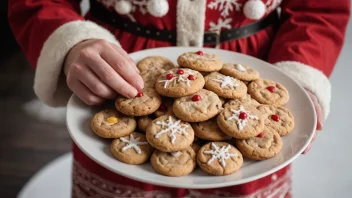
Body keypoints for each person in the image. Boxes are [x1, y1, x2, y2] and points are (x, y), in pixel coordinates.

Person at [8, 0, 350, 197]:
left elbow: (319, 8)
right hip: (120, 68)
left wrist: (300, 74)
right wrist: (71, 43)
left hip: (248, 72)